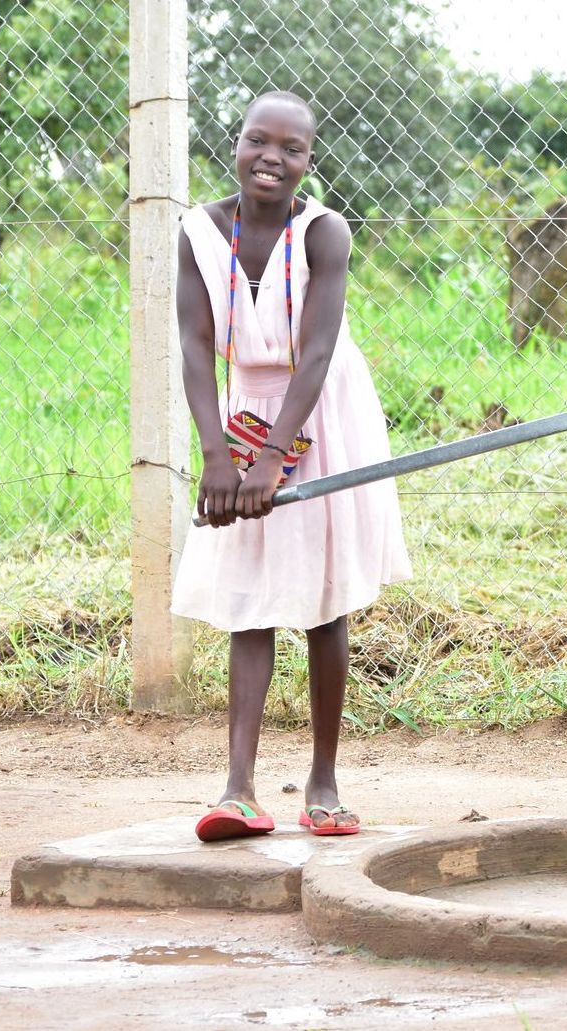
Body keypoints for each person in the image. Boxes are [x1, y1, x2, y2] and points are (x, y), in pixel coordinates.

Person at [172, 91, 412, 841]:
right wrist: (218, 456)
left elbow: (316, 354)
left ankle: (323, 780)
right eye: (257, 141)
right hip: (242, 409)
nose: (271, 157)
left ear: (310, 160)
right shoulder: (198, 232)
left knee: (321, 598)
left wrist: (274, 456)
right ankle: (238, 791)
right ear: (234, 144)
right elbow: (193, 348)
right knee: (249, 597)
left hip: (320, 410)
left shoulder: (323, 233)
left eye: (292, 148)